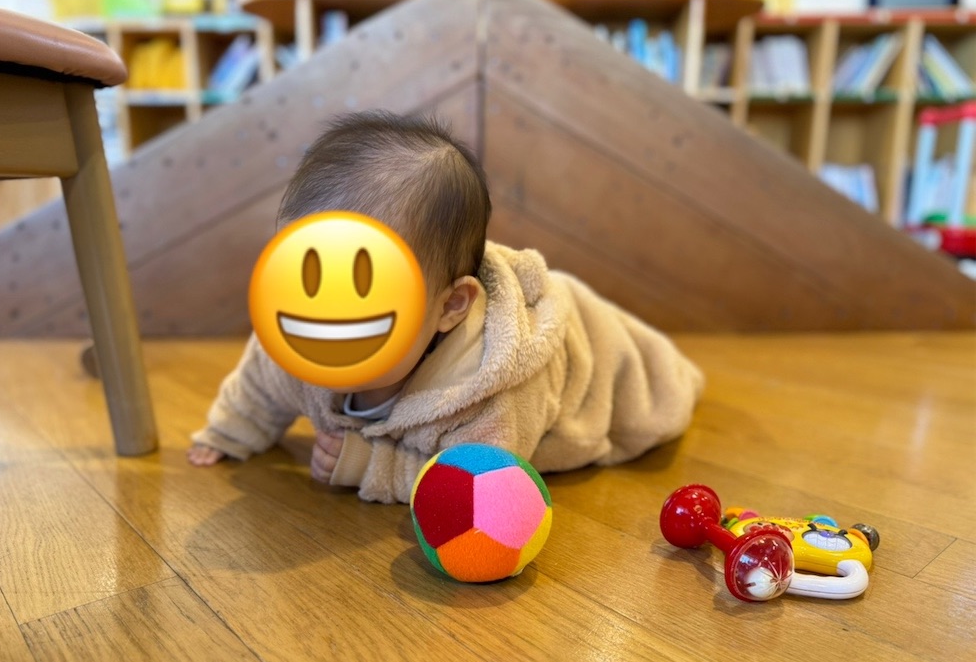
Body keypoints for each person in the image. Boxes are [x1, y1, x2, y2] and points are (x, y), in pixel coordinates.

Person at [188, 110, 705, 503]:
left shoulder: (485, 386)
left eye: (366, 289)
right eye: (305, 278)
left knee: (659, 384)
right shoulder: (299, 337)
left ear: (450, 306)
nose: (328, 314)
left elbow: (487, 481)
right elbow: (260, 383)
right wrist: (230, 432)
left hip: (588, 346)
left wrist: (373, 467)